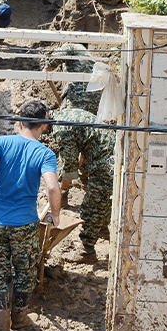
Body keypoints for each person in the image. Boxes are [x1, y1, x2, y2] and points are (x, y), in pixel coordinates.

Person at [0, 101, 62, 331]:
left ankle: (2, 326)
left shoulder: (2, 142)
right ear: (43, 126)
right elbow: (53, 188)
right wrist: (55, 216)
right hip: (25, 224)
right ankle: (20, 318)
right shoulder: (45, 153)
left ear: (20, 122)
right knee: (24, 272)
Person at [50, 107, 115, 264]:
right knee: (102, 197)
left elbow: (69, 169)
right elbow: (84, 142)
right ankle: (102, 228)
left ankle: (87, 251)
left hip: (104, 158)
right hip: (110, 150)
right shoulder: (68, 113)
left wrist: (61, 190)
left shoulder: (61, 129)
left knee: (92, 204)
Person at [43, 43, 100, 115]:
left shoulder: (72, 46)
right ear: (87, 46)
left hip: (76, 98)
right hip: (95, 102)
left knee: (69, 122)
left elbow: (64, 51)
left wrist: (48, 66)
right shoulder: (90, 58)